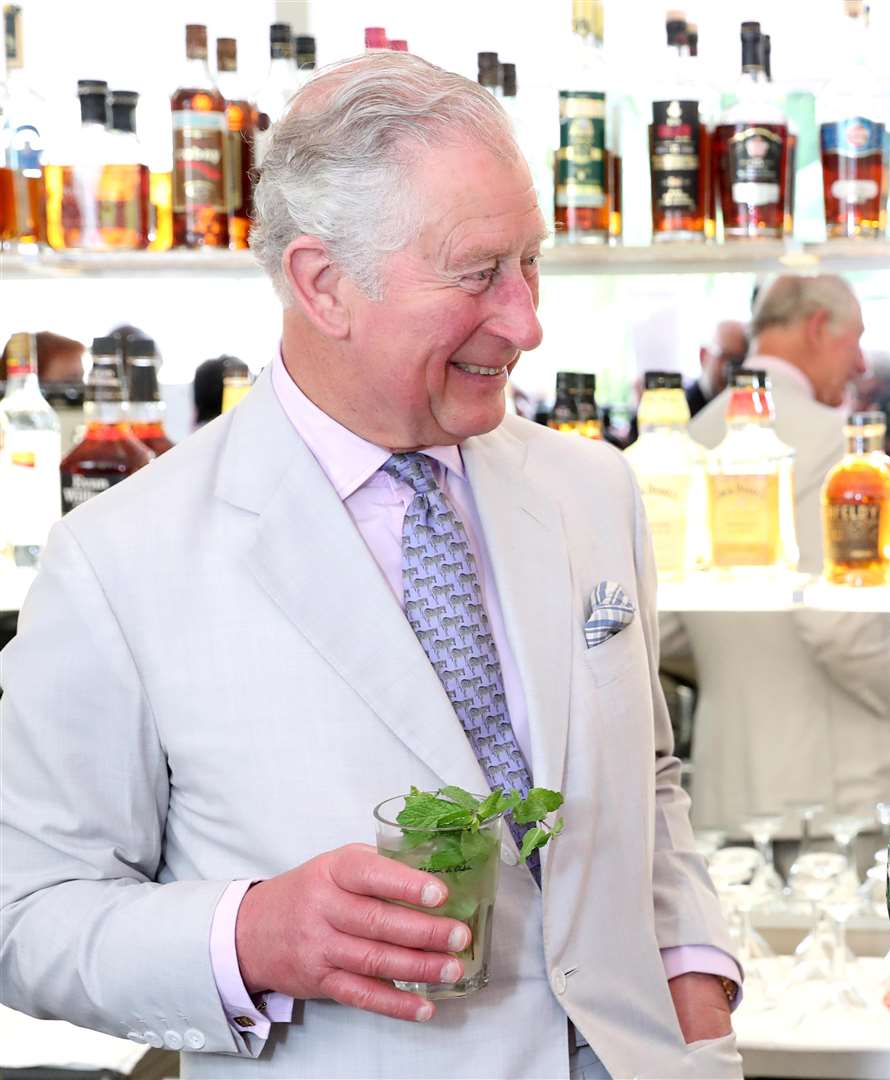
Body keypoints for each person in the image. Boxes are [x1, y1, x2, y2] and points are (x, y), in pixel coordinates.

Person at [0, 53, 741, 1080]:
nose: (526, 321)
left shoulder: (591, 491)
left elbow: (647, 785)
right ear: (322, 283)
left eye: (531, 263)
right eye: (480, 272)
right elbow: (26, 914)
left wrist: (697, 996)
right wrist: (248, 937)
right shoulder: (118, 560)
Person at [664, 274, 890, 844]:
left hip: (727, 780)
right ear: (815, 328)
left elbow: (664, 625)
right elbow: (839, 626)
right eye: (855, 339)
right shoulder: (836, 442)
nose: (860, 363)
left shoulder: (688, 438)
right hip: (838, 785)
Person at [687, 319, 748, 416]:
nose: (731, 369)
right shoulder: (682, 410)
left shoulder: (745, 412)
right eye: (725, 357)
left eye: (739, 360)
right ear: (703, 355)